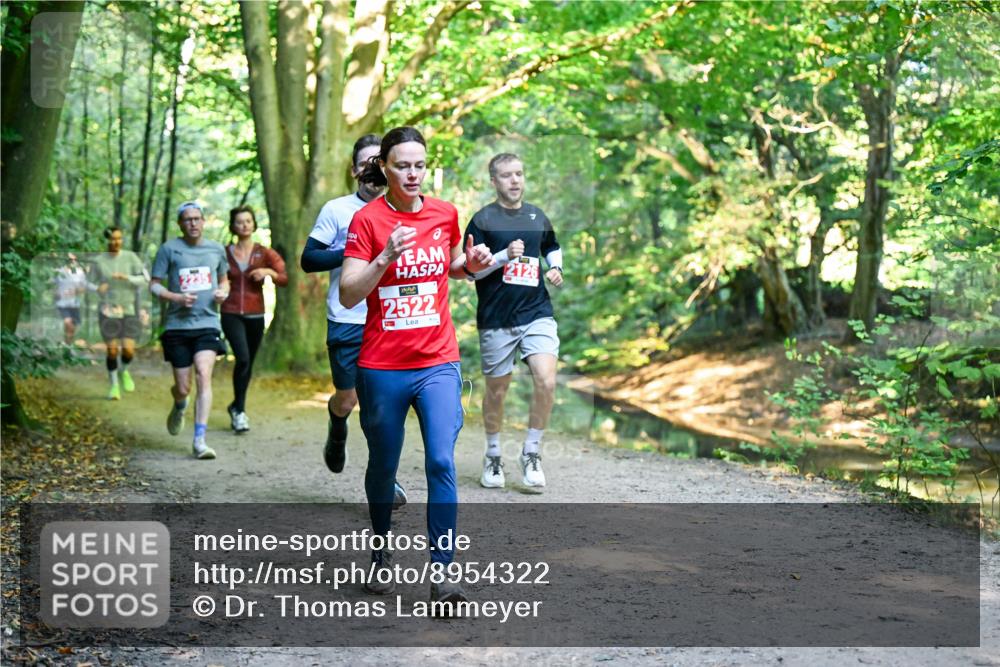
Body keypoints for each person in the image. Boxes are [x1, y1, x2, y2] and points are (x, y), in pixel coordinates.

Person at [340, 127, 493, 609]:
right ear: (384, 167)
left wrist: (471, 264)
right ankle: (380, 550)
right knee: (383, 466)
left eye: (419, 165)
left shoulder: (444, 213)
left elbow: (452, 266)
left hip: (437, 360)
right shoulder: (366, 220)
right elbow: (349, 292)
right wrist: (385, 256)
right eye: (402, 165)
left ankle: (443, 573)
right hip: (382, 365)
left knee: (441, 461)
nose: (412, 174)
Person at [464, 153, 563, 489]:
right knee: (497, 390)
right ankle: (493, 455)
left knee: (546, 380)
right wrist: (504, 256)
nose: (515, 180)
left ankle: (531, 451)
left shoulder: (537, 215)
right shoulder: (482, 221)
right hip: (496, 317)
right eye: (507, 175)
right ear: (494, 181)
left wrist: (556, 267)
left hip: (537, 312)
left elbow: (552, 247)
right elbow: (470, 272)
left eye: (519, 173)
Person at [149, 201, 229, 459]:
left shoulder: (216, 249)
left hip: (208, 323)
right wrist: (176, 297)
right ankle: (179, 403)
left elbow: (224, 279)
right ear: (180, 224)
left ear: (203, 221)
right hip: (177, 326)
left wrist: (223, 292)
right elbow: (154, 284)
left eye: (197, 219)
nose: (193, 223)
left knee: (204, 374)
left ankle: (199, 440)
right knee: (183, 387)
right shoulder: (169, 249)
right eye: (187, 219)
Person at [221, 205, 288, 433]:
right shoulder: (224, 252)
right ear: (233, 226)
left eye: (248, 221)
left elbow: (284, 277)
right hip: (230, 312)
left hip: (256, 314)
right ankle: (240, 412)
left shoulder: (264, 253)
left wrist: (267, 272)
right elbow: (212, 276)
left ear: (254, 224)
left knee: (248, 362)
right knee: (242, 358)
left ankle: (236, 406)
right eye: (239, 222)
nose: (244, 225)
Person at [89, 227, 150, 400]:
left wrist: (127, 278)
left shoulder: (131, 257)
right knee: (112, 351)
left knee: (129, 351)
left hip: (129, 309)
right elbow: (87, 283)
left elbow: (146, 279)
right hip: (108, 310)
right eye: (113, 239)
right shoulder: (98, 261)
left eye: (119, 238)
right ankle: (114, 385)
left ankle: (124, 371)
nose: (116, 242)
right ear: (107, 240)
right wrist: (97, 288)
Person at [53, 253, 86, 345]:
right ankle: (67, 345)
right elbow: (52, 285)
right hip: (62, 303)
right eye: (69, 259)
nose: (72, 261)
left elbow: (83, 288)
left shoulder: (80, 272)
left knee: (72, 328)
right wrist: (55, 292)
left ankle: (68, 345)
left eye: (74, 259)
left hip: (74, 304)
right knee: (67, 323)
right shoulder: (58, 272)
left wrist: (75, 291)